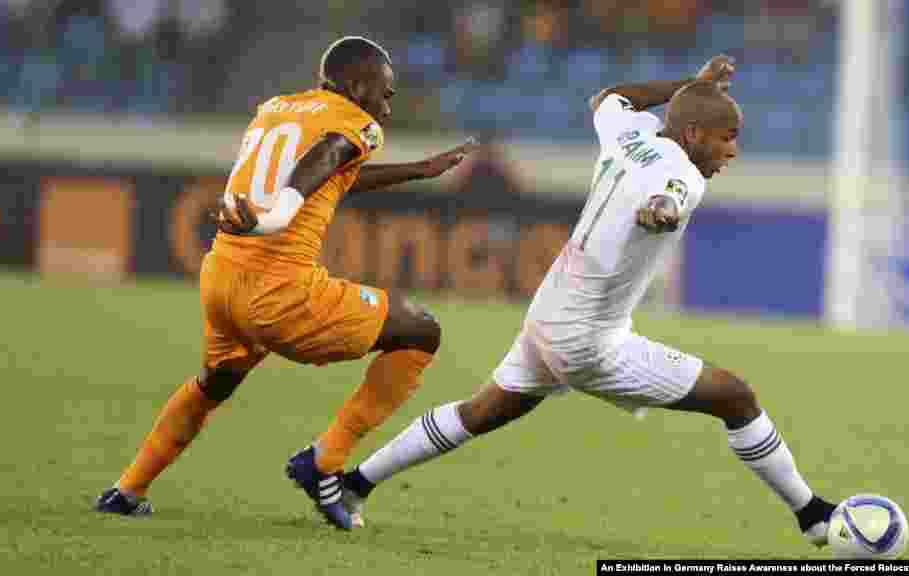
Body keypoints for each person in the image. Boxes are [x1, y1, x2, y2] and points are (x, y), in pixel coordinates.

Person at [336, 55, 838, 546]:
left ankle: (354, 483)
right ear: (691, 136)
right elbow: (668, 198)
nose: (732, 152)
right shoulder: (682, 175)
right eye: (727, 138)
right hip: (589, 342)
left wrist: (692, 84)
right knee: (735, 397)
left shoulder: (631, 134)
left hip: (549, 314)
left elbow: (608, 97)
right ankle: (812, 516)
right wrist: (659, 211)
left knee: (480, 412)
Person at [94, 36, 478, 529]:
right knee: (421, 331)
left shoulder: (277, 108)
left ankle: (128, 488)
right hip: (279, 292)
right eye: (384, 94)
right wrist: (279, 215)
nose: (386, 106)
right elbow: (327, 155)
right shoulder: (353, 122)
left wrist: (419, 171)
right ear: (356, 85)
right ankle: (324, 461)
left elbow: (330, 172)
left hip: (223, 278)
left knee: (215, 382)